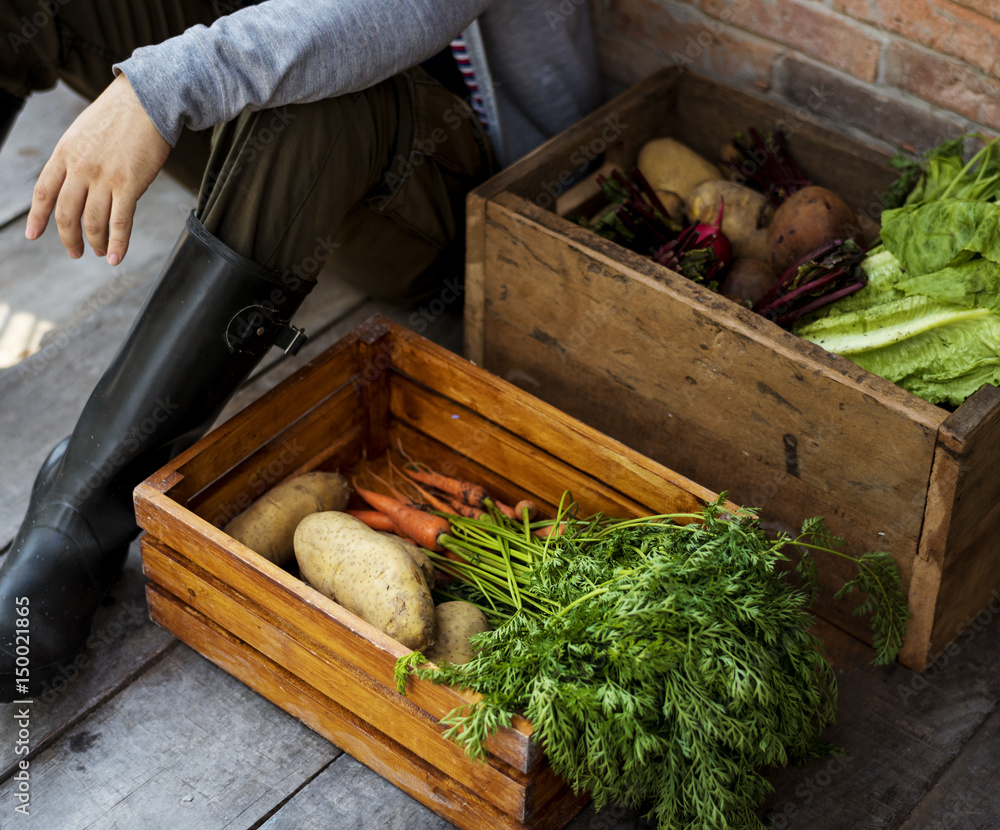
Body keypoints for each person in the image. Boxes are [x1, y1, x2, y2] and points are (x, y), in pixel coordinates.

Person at [0, 0, 600, 701]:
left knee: (316, 94)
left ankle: (80, 516)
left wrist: (153, 89)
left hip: (453, 184)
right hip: (284, 113)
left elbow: (387, 18)